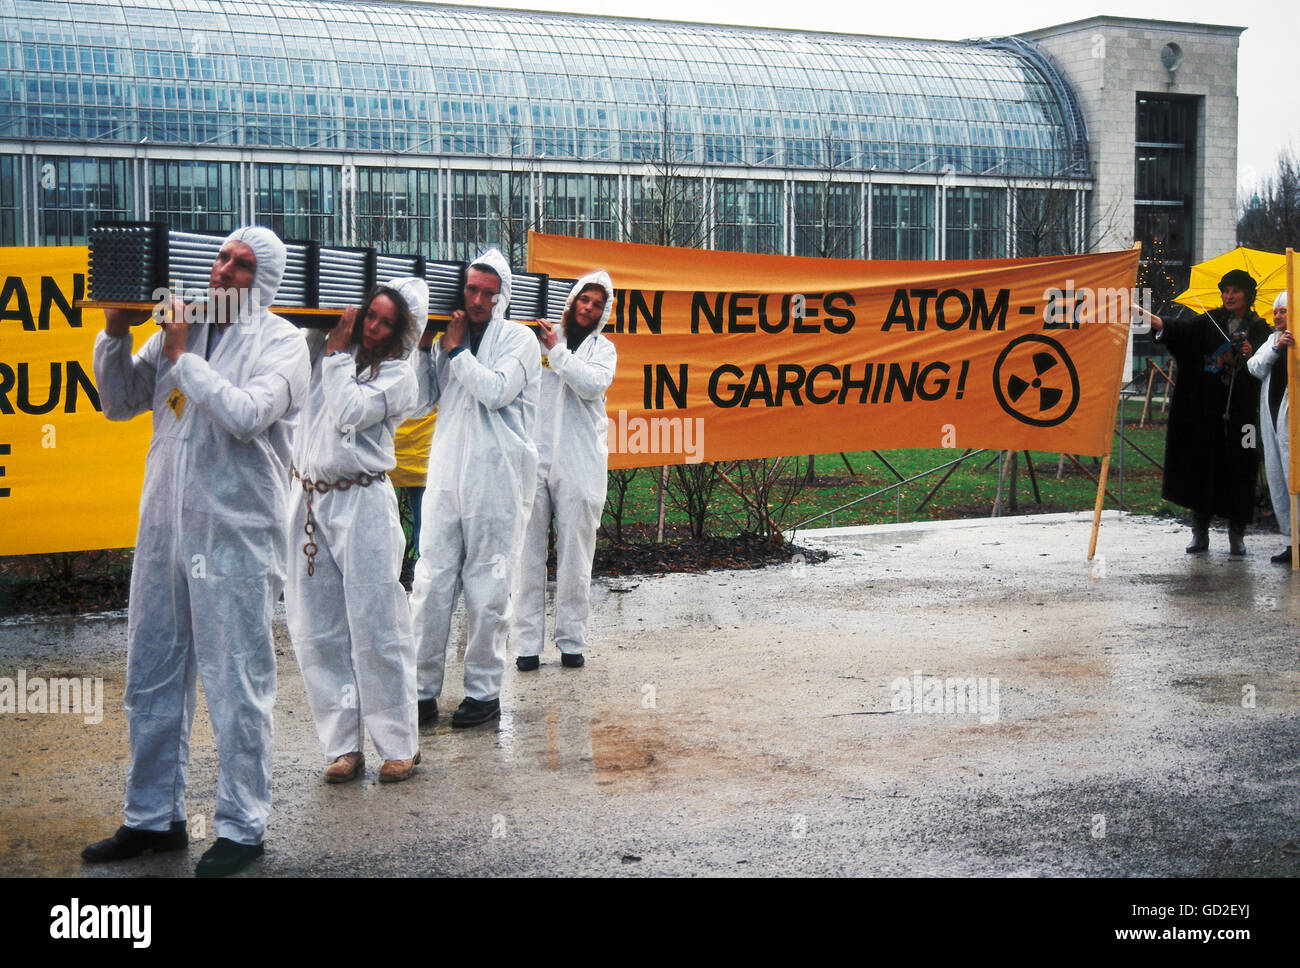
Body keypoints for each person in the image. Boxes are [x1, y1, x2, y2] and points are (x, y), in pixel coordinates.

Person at [84, 226, 310, 877]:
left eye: (241, 266)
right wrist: (118, 332)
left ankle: (242, 826)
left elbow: (245, 414)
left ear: (262, 282)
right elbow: (119, 403)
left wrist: (184, 357)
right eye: (221, 258)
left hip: (235, 535)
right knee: (151, 671)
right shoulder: (181, 330)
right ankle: (153, 818)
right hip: (164, 531)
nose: (223, 271)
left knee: (236, 680)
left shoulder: (283, 342)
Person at [285, 278, 425, 783]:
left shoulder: (398, 377)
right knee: (316, 628)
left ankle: (399, 744)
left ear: (399, 331)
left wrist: (338, 353)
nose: (374, 326)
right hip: (305, 499)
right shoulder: (323, 350)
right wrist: (323, 332)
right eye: (371, 314)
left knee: (377, 624)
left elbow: (348, 411)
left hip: (362, 500)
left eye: (387, 321)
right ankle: (342, 745)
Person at [409, 248, 539, 727]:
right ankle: (420, 691)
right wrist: (425, 349)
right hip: (446, 474)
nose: (480, 298)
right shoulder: (449, 339)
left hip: (497, 478)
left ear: (502, 295)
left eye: (489, 291)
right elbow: (421, 402)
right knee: (430, 580)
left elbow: (496, 390)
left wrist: (457, 351)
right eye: (472, 289)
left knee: (488, 585)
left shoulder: (519, 339)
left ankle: (484, 694)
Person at [514, 271, 617, 671]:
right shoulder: (536, 338)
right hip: (533, 456)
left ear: (602, 311)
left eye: (595, 303)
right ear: (572, 301)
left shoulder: (602, 349)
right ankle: (525, 645)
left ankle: (572, 642)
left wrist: (558, 352)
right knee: (527, 553)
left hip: (580, 461)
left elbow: (591, 385)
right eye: (583, 300)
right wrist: (548, 346)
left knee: (576, 554)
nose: (587, 308)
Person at [1143, 269, 1271, 555]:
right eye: (1225, 290)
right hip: (1206, 414)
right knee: (1203, 469)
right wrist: (1153, 320)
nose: (1229, 295)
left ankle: (1237, 535)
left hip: (1244, 419)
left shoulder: (1261, 329)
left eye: (1235, 291)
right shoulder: (1208, 323)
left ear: (1248, 295)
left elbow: (1270, 363)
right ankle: (1199, 532)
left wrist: (1255, 352)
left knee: (1242, 470)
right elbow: (1180, 332)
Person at [1247, 291, 1294, 563]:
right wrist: (1277, 349)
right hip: (1272, 419)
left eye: (1283, 311)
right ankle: (1290, 541)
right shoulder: (1272, 340)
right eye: (1276, 312)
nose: (1277, 316)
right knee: (1277, 478)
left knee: (1295, 479)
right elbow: (1255, 367)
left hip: (1293, 422)